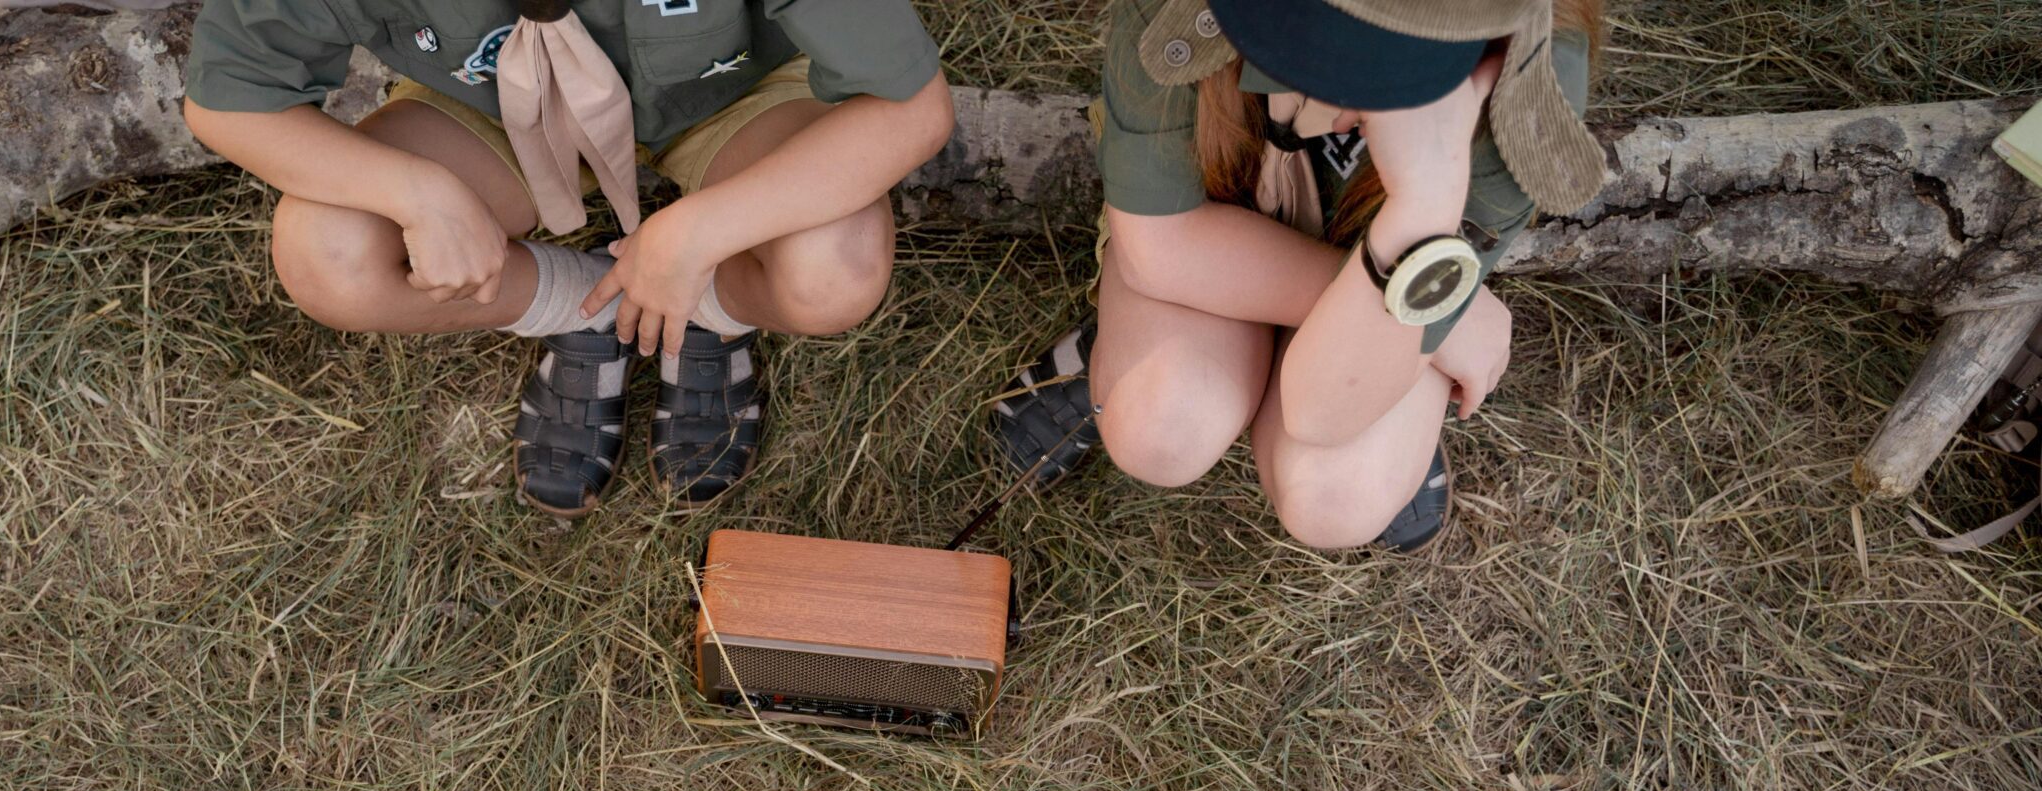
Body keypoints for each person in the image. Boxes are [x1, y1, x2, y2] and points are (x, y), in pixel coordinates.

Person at [181, 0, 954, 517]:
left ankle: (699, 307)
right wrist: (417, 193)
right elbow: (228, 97)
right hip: (487, 105)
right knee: (329, 253)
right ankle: (589, 305)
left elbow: (912, 107)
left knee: (836, 264)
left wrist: (696, 237)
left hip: (738, 91)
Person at [991, 0, 1605, 553]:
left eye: (1390, 66)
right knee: (1160, 425)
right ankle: (1127, 341)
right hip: (1217, 235)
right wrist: (1441, 317)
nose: (1340, 96)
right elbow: (1164, 243)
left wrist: (1425, 204)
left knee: (1337, 499)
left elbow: (1320, 412)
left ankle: (1383, 374)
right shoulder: (1186, 10)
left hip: (1360, 266)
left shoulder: (1526, 82)